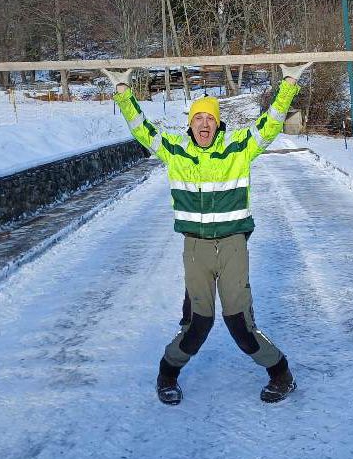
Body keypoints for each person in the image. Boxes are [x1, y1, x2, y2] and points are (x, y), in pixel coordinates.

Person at [102, 63, 313, 405]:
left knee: (238, 323)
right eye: (198, 118)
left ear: (218, 123)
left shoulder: (239, 149)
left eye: (210, 118)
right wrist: (124, 94)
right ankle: (167, 374)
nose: (204, 124)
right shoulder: (175, 152)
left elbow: (271, 124)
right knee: (198, 322)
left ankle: (281, 373)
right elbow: (142, 130)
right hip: (196, 248)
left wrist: (288, 84)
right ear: (190, 123)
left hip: (232, 246)